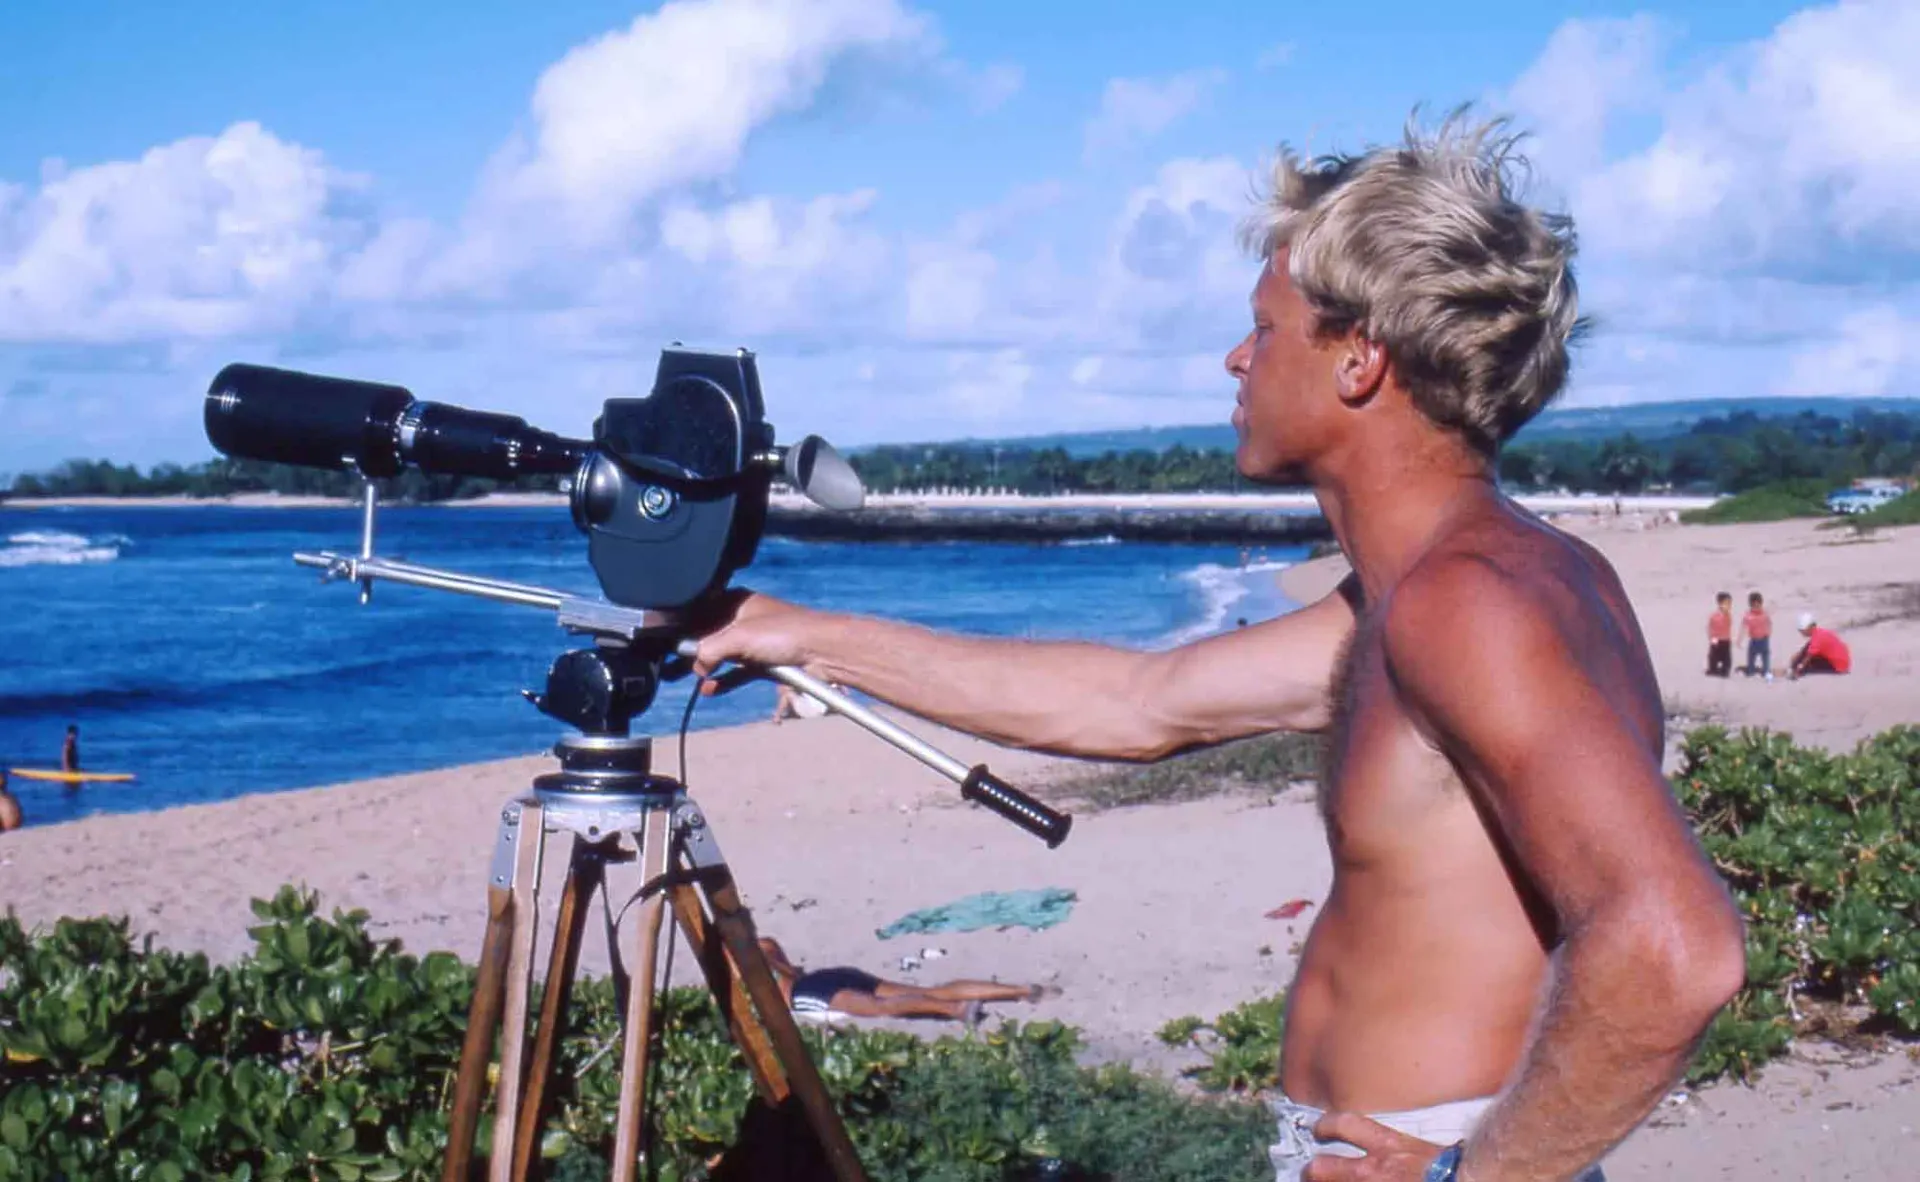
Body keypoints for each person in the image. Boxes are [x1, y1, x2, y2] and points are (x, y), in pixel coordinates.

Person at [696, 110, 1744, 1182]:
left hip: (1445, 1149)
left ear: (1359, 362)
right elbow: (1143, 702)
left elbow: (1677, 946)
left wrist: (1469, 1176)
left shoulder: (1470, 604)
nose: (1236, 357)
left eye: (1268, 328)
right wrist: (805, 632)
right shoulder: (1423, 595)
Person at [755, 937, 1054, 1026]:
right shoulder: (763, 945)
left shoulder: (736, 967)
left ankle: (957, 1010)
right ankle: (1022, 990)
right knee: (931, 991)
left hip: (807, 992)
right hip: (828, 975)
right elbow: (789, 968)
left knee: (880, 1008)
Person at [1789, 612, 1851, 678]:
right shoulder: (1820, 632)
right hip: (1843, 661)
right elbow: (1807, 648)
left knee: (1808, 666)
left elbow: (1808, 657)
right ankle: (1795, 664)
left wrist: (1799, 670)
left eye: (1802, 631)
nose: (1801, 633)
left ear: (1810, 627)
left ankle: (1795, 666)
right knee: (1806, 651)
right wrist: (1798, 655)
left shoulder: (1817, 639)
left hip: (1838, 666)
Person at [1740, 592, 1773, 680]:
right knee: (1751, 656)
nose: (1756, 607)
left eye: (1758, 604)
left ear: (1761, 603)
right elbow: (1743, 627)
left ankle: (1766, 670)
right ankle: (1751, 670)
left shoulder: (1765, 614)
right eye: (1754, 605)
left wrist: (1768, 633)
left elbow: (1769, 623)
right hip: (1753, 640)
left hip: (1764, 639)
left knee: (1765, 656)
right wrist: (1740, 640)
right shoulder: (1748, 615)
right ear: (1750, 605)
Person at [1705, 592, 1733, 677]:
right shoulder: (1714, 615)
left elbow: (1728, 623)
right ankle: (1712, 668)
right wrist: (1711, 637)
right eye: (1725, 603)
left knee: (1726, 656)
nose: (1728, 605)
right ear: (1719, 603)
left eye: (1729, 603)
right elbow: (1710, 626)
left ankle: (1725, 670)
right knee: (1713, 655)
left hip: (1725, 639)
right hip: (1715, 638)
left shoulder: (1727, 615)